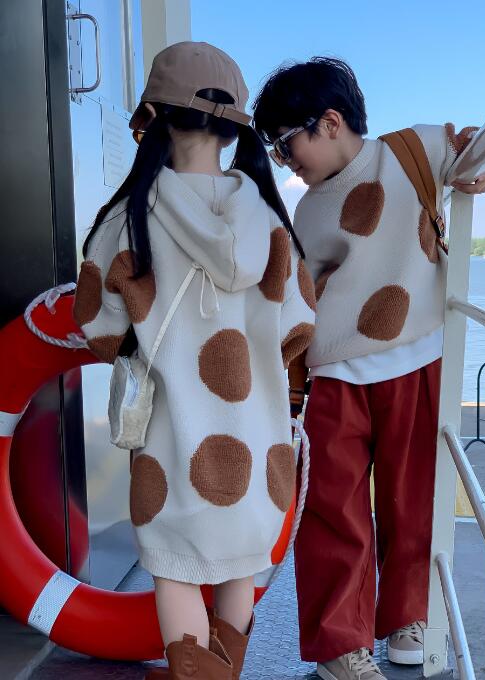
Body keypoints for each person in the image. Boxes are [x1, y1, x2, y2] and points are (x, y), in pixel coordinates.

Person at [252, 56, 485, 680]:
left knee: (413, 501)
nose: (284, 162)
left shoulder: (414, 150)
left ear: (329, 122)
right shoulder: (305, 212)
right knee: (331, 510)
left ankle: (407, 619)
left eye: (285, 144)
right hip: (332, 373)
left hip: (418, 357)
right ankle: (341, 645)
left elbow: (480, 149)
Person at [73, 42, 315, 680]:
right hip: (259, 447)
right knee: (240, 566)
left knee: (175, 567)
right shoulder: (269, 220)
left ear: (153, 118)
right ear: (232, 128)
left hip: (171, 449)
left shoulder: (129, 217)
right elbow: (298, 328)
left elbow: (99, 327)